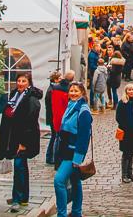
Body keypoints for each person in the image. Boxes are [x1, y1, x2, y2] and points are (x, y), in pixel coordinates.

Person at [0, 73, 42, 211]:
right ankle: (23, 198)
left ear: (29, 83)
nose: (21, 83)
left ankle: (16, 199)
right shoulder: (14, 96)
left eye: (24, 81)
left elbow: (30, 122)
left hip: (23, 140)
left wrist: (23, 143)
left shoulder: (31, 99)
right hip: (13, 138)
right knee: (22, 168)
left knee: (18, 168)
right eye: (19, 81)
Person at [53, 82, 93, 217]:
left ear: (82, 92)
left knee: (59, 180)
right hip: (65, 150)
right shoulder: (71, 105)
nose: (73, 93)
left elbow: (84, 136)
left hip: (73, 152)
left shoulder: (83, 110)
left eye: (76, 91)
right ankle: (76, 212)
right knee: (75, 181)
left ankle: (62, 214)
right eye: (71, 91)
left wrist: (78, 158)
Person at [115, 84, 133, 183]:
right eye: (129, 90)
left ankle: (130, 173)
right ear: (126, 91)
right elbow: (118, 117)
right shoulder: (122, 103)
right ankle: (124, 175)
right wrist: (126, 126)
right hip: (126, 132)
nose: (131, 91)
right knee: (126, 153)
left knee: (132, 153)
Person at [44, 70, 70, 165]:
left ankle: (50, 156)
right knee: (54, 137)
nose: (60, 80)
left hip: (52, 116)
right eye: (59, 78)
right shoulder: (52, 90)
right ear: (55, 79)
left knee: (54, 137)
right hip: (53, 117)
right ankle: (51, 157)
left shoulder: (53, 88)